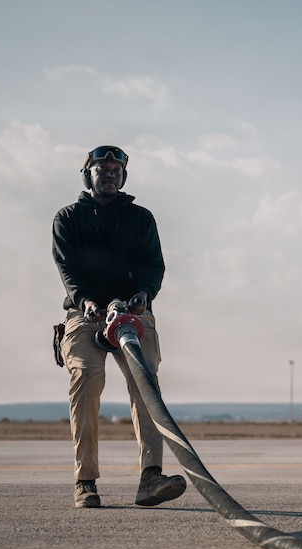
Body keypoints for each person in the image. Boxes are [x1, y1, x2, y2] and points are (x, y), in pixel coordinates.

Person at [52, 145, 187, 509]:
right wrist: (87, 303)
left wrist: (144, 293)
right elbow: (68, 271)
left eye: (115, 170)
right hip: (86, 313)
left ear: (123, 177)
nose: (109, 174)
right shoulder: (67, 218)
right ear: (88, 175)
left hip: (132, 311)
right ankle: (85, 481)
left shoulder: (141, 219)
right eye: (102, 169)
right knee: (86, 377)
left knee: (146, 382)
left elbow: (153, 265)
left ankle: (150, 478)